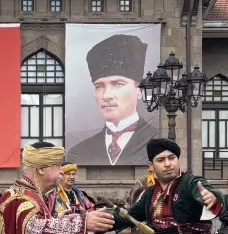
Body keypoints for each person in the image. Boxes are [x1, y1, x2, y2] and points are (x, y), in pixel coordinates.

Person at [65, 34, 158, 166]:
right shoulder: (79, 153)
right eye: (99, 86)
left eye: (118, 84)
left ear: (139, 90)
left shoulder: (157, 144)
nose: (106, 95)